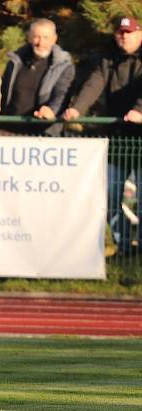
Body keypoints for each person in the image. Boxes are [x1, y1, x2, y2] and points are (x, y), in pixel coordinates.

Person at [63, 17, 142, 253]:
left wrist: (139, 110)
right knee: (109, 194)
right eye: (120, 33)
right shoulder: (108, 59)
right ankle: (125, 246)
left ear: (140, 34)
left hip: (141, 136)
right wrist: (78, 108)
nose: (124, 37)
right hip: (119, 137)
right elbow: (93, 84)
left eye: (129, 32)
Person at [0, 19, 75, 136]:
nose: (40, 43)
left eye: (46, 38)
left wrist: (52, 110)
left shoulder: (64, 66)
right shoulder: (15, 62)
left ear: (54, 39)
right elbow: (2, 92)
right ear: (30, 37)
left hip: (42, 133)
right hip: (8, 130)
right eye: (37, 37)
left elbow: (62, 94)